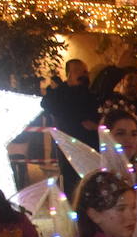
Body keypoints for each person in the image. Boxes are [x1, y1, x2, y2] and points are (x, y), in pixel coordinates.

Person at [41, 59, 99, 195]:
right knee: (71, 187)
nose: (84, 75)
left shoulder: (90, 94)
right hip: (69, 148)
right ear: (69, 74)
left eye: (85, 72)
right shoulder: (58, 94)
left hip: (89, 146)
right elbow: (48, 105)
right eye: (79, 71)